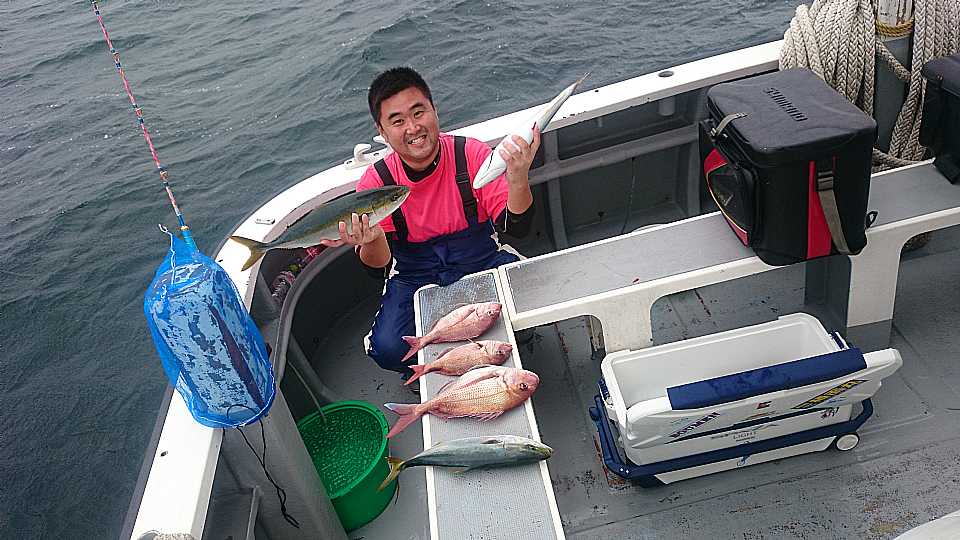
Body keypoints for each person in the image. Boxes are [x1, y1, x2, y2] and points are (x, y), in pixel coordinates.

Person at [320, 66, 540, 390]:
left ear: (434, 110)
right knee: (388, 348)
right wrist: (372, 239)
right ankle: (430, 371)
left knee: (532, 303)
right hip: (414, 273)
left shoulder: (470, 154)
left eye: (418, 112)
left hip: (481, 258)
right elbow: (378, 268)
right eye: (397, 121)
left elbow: (517, 228)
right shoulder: (377, 183)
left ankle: (508, 346)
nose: (413, 128)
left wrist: (518, 179)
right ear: (382, 131)